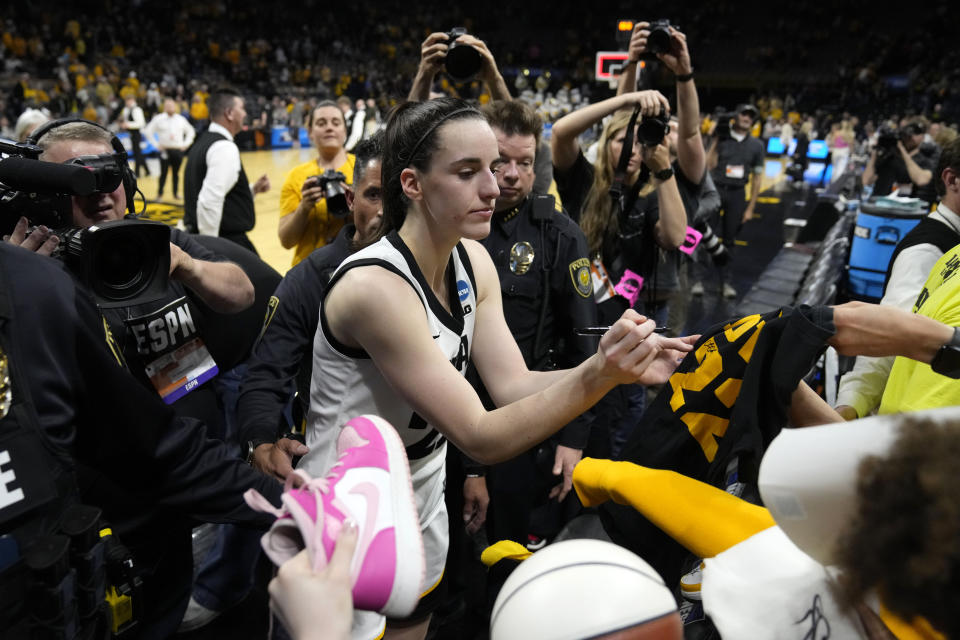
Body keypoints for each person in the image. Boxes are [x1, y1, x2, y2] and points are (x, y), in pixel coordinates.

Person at [297, 97, 695, 640]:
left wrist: (613, 364)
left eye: (494, 167)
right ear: (411, 184)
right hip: (348, 514)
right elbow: (480, 435)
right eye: (468, 172)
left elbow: (513, 386)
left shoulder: (472, 259)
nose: (493, 186)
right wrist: (598, 376)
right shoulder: (374, 289)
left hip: (422, 491)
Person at [0, 241, 282, 639]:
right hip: (104, 525)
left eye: (110, 179)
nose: (99, 193)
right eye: (80, 183)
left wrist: (186, 266)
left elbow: (245, 292)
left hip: (167, 512)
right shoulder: (35, 285)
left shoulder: (147, 240)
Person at [474, 99, 597, 549]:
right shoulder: (452, 226)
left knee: (510, 544)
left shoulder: (560, 235)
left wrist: (573, 437)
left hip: (522, 423)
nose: (511, 174)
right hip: (447, 418)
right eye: (500, 161)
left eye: (524, 163)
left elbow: (584, 345)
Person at [240, 132, 385, 482]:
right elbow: (265, 374)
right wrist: (261, 443)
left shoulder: (440, 266)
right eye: (373, 195)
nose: (385, 210)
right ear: (350, 198)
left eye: (395, 196)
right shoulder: (309, 279)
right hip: (334, 462)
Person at [550, 90, 688, 458]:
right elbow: (562, 132)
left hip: (628, 324)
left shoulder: (653, 193)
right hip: (577, 322)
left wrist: (663, 168)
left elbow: (675, 237)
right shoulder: (584, 183)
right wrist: (626, 100)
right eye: (618, 139)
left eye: (639, 141)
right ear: (606, 143)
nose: (629, 149)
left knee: (625, 418)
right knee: (577, 409)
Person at [836, 137, 960, 419]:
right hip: (909, 426)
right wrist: (848, 409)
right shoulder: (927, 250)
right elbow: (888, 338)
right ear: (952, 180)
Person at [184, 87, 271, 254]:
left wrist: (253, 189)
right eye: (242, 108)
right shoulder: (224, 147)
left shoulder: (203, 142)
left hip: (205, 236)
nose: (245, 114)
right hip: (227, 242)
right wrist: (209, 252)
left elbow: (218, 192)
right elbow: (209, 201)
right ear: (230, 113)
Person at [278, 100, 355, 266]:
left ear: (345, 131)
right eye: (321, 123)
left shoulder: (363, 169)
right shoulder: (296, 177)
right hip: (309, 270)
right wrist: (304, 207)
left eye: (336, 122)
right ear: (310, 132)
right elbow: (286, 241)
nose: (329, 127)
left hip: (355, 267)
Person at [706, 103, 765, 298]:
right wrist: (715, 140)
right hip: (715, 191)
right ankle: (698, 280)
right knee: (705, 237)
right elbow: (708, 165)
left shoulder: (757, 145)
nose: (747, 118)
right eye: (744, 114)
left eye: (751, 116)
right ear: (736, 116)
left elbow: (757, 179)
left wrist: (751, 207)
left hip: (738, 194)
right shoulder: (722, 137)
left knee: (730, 241)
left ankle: (724, 282)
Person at [863, 117, 940, 205]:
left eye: (916, 133)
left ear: (923, 137)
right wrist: (874, 154)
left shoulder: (925, 157)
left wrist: (902, 150)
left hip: (904, 211)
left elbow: (921, 180)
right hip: (879, 207)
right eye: (909, 132)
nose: (911, 137)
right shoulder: (889, 156)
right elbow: (866, 181)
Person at [143, 97, 195, 199]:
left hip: (177, 150)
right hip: (164, 150)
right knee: (163, 173)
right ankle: (160, 193)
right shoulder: (158, 119)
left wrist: (186, 143)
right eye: (167, 106)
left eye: (171, 105)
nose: (170, 107)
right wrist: (156, 145)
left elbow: (191, 131)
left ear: (175, 106)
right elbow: (148, 131)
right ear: (164, 107)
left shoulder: (181, 119)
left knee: (176, 173)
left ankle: (175, 194)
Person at [119, 95, 147, 178]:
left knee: (137, 153)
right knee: (137, 152)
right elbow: (126, 119)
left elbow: (141, 123)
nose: (127, 103)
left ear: (132, 100)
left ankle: (137, 173)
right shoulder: (126, 110)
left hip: (137, 133)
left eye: (128, 100)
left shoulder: (137, 110)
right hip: (131, 133)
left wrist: (128, 125)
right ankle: (147, 170)